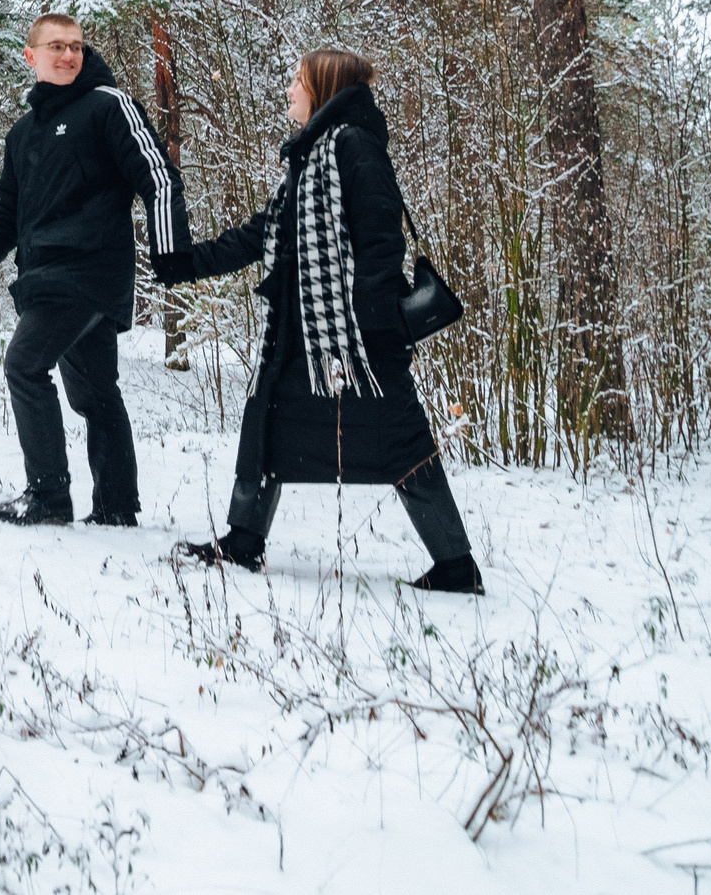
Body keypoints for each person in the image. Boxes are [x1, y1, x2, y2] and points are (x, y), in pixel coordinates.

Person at [154, 47, 482, 594]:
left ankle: (456, 566)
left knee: (400, 439)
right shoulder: (313, 154)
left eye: (297, 81)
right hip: (301, 333)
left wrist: (369, 323)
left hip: (354, 339)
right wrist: (186, 264)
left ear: (321, 88)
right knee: (266, 422)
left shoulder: (353, 146)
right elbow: (263, 233)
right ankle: (243, 540)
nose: (289, 90)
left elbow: (381, 240)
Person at [0, 13, 189, 528]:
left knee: (23, 364)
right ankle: (116, 507)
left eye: (76, 46)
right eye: (57, 46)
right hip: (46, 274)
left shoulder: (108, 106)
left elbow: (158, 178)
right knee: (95, 393)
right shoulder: (23, 134)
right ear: (31, 56)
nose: (69, 55)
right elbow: (7, 213)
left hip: (89, 272)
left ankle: (48, 496)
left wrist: (171, 251)